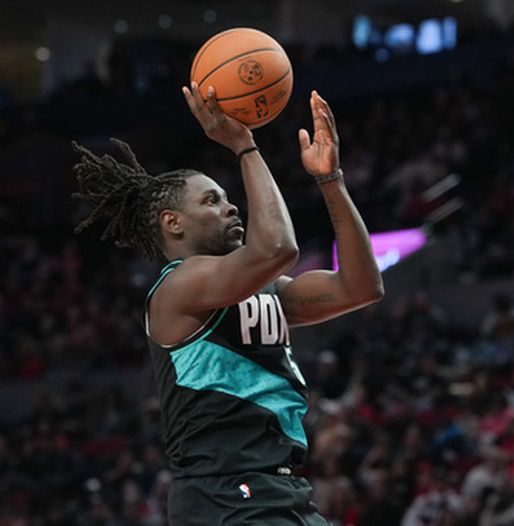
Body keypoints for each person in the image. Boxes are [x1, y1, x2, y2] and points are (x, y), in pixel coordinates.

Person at [71, 82, 384, 525]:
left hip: (280, 489)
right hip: (222, 494)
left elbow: (362, 287)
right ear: (173, 222)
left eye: (228, 198)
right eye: (212, 200)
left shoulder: (265, 290)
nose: (232, 207)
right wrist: (244, 146)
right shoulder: (177, 287)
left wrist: (330, 180)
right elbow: (278, 248)